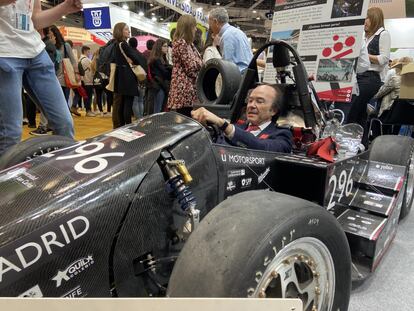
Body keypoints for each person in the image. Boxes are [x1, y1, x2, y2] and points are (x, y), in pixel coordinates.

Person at [0, 0, 79, 156]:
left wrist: (65, 7)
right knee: (11, 133)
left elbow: (35, 19)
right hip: (4, 52)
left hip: (36, 51)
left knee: (64, 123)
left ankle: (65, 173)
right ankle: (6, 179)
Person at [191, 84, 292, 153]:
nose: (251, 105)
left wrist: (223, 124)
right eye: (250, 100)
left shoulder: (282, 135)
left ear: (273, 110)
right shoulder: (237, 126)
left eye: (259, 101)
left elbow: (262, 148)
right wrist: (202, 127)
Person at [346, 7, 391, 131]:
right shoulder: (364, 36)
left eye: (367, 18)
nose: (364, 21)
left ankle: (348, 138)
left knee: (352, 109)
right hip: (359, 76)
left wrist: (364, 55)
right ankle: (363, 145)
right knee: (360, 113)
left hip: (372, 78)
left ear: (374, 19)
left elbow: (384, 59)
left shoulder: (383, 34)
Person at [111, 22, 147, 128]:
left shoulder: (117, 44)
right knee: (128, 103)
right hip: (127, 76)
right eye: (126, 29)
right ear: (120, 31)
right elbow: (138, 57)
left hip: (121, 76)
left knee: (122, 104)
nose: (129, 31)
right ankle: (127, 127)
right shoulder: (123, 44)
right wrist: (135, 60)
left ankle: (122, 126)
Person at [167, 15, 203, 117]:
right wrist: (199, 65)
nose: (195, 29)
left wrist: (198, 64)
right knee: (183, 121)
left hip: (189, 91)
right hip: (183, 91)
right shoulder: (181, 43)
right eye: (194, 26)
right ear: (188, 27)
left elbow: (199, 63)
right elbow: (191, 68)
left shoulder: (189, 44)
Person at [208, 7, 253, 73]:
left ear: (216, 22)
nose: (210, 27)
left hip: (239, 77)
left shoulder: (227, 36)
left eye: (210, 23)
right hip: (247, 75)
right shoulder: (238, 32)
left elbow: (228, 66)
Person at [148, 39, 172, 114]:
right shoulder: (157, 59)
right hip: (159, 86)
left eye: (167, 46)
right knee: (157, 110)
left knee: (159, 109)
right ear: (159, 47)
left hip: (161, 86)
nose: (167, 48)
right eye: (164, 46)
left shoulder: (162, 59)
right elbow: (164, 73)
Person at [128, 37, 147, 119]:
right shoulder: (141, 55)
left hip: (134, 81)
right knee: (141, 100)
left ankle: (138, 119)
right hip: (142, 80)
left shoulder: (130, 55)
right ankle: (141, 117)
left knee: (134, 102)